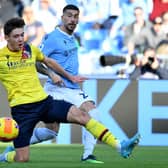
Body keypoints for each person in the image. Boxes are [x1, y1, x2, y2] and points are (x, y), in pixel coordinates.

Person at [0, 17, 140, 163]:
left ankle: (120, 146)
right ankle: (4, 157)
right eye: (16, 36)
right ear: (6, 38)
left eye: (22, 35)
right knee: (22, 159)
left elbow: (48, 61)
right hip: (22, 110)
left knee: (83, 116)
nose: (20, 39)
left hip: (44, 102)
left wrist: (65, 76)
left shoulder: (29, 49)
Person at [35, 4, 103, 163]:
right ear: (62, 17)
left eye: (76, 16)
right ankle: (18, 145)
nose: (73, 20)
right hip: (55, 89)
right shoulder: (52, 37)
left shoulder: (73, 37)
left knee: (94, 114)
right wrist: (51, 74)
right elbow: (36, 62)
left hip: (72, 89)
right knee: (51, 131)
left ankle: (87, 155)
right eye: (70, 16)